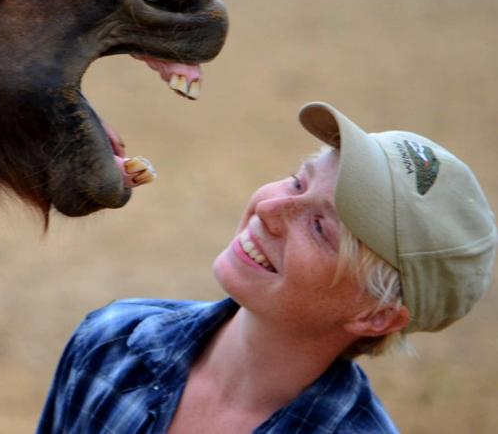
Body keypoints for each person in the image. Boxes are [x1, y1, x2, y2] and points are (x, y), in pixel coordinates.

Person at [37, 101, 497, 434]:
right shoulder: (111, 342)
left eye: (320, 227)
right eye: (299, 180)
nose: (273, 208)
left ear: (375, 314)